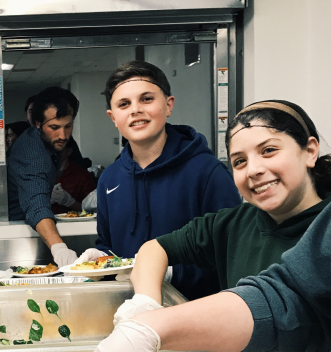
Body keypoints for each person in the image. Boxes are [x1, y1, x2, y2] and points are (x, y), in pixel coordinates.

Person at [95, 99, 331, 351]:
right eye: (239, 161)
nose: (254, 170)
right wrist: (146, 303)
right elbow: (155, 248)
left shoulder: (323, 231)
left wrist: (156, 325)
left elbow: (280, 305)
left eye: (268, 150)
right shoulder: (233, 223)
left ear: (310, 151)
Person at [75, 61, 241, 300]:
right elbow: (109, 245)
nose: (135, 110)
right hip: (130, 312)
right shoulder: (109, 179)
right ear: (113, 117)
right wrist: (100, 258)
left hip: (194, 314)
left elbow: (231, 253)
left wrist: (169, 272)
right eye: (124, 104)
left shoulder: (207, 172)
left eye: (146, 99)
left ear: (168, 105)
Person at [7, 86, 80, 266]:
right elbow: (36, 202)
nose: (62, 135)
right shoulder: (32, 154)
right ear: (38, 123)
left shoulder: (43, 141)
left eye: (68, 126)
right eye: (54, 127)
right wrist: (58, 248)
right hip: (16, 234)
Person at [51, 145, 96, 214]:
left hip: (74, 222)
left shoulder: (82, 175)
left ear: (69, 151)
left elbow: (91, 209)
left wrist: (70, 202)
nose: (54, 152)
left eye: (59, 148)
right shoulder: (40, 173)